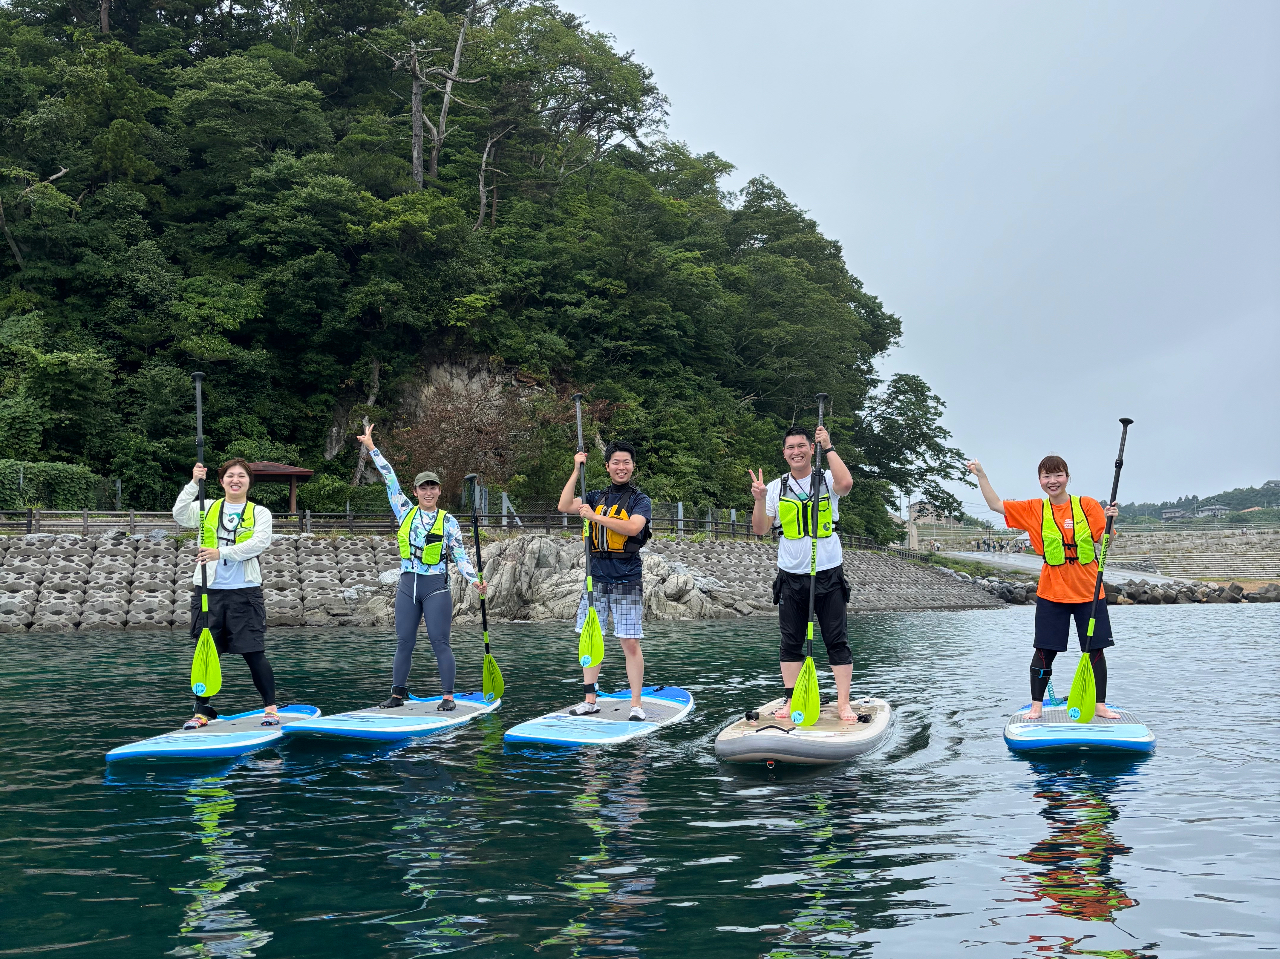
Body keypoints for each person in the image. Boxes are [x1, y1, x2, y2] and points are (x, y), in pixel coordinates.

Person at [967, 455, 1121, 719]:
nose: (1053, 481)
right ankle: (1036, 706)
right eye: (1046, 476)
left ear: (1067, 477)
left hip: (1090, 593)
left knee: (1095, 650)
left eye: (1058, 475)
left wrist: (1111, 519)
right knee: (1044, 650)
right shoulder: (1033, 509)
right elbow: (995, 505)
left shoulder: (1087, 505)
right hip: (1052, 592)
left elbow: (1106, 540)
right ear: (1040, 481)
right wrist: (981, 474)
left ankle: (1100, 706)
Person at [357, 424, 485, 710]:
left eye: (433, 487)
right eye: (423, 488)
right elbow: (390, 478)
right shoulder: (404, 510)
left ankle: (448, 697)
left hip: (435, 586)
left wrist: (475, 580)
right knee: (404, 642)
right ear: (415, 491)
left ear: (439, 491)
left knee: (440, 641)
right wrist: (371, 446)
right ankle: (397, 695)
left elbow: (460, 556)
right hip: (407, 585)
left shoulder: (449, 522)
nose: (428, 492)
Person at [750, 425, 857, 722]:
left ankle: (844, 702)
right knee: (790, 640)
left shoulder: (826, 478)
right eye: (790, 447)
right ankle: (791, 699)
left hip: (827, 573)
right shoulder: (775, 487)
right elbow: (759, 529)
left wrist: (830, 446)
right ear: (784, 454)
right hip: (791, 576)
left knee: (836, 639)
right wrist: (759, 498)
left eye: (802, 446)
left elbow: (846, 484)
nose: (796, 451)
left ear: (811, 449)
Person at [173, 458, 278, 728]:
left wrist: (222, 553)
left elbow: (258, 543)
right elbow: (180, 514)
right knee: (205, 652)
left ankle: (270, 708)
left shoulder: (260, 513)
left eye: (241, 476)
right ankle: (202, 711)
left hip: (244, 592)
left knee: (254, 652)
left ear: (248, 482)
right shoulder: (207, 507)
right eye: (230, 475)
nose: (235, 480)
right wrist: (194, 483)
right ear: (221, 481)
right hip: (209, 591)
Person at [556, 441, 653, 720]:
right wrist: (576, 470)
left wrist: (594, 517)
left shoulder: (639, 500)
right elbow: (564, 505)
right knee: (591, 639)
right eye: (616, 462)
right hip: (595, 579)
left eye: (626, 462)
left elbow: (633, 527)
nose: (621, 467)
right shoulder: (595, 495)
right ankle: (590, 700)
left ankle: (636, 705)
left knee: (629, 642)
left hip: (626, 577)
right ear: (607, 466)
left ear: (632, 466)